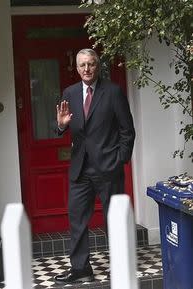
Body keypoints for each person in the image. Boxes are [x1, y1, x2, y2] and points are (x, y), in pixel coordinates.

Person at [54, 48, 135, 284]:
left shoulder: (113, 92)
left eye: (90, 64)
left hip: (109, 167)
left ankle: (119, 264)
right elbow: (62, 125)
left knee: (114, 218)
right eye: (82, 65)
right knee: (77, 219)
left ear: (97, 66)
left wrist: (120, 159)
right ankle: (80, 268)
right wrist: (60, 126)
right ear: (77, 68)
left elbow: (127, 130)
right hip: (80, 169)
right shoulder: (69, 92)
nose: (86, 69)